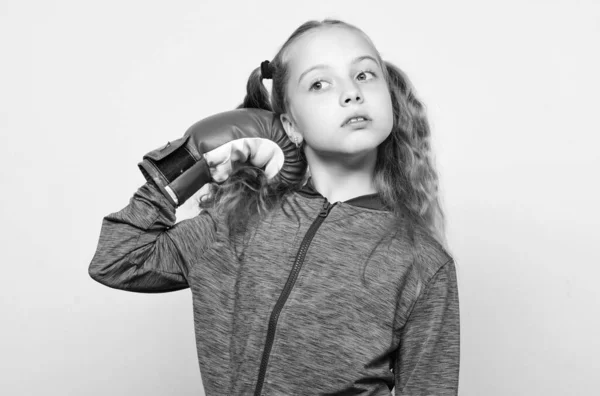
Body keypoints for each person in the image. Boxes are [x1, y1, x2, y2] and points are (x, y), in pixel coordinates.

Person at [89, 18, 460, 396]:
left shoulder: (421, 261)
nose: (352, 93)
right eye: (319, 83)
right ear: (289, 124)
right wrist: (185, 164)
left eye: (365, 74)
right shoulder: (236, 223)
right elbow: (117, 260)